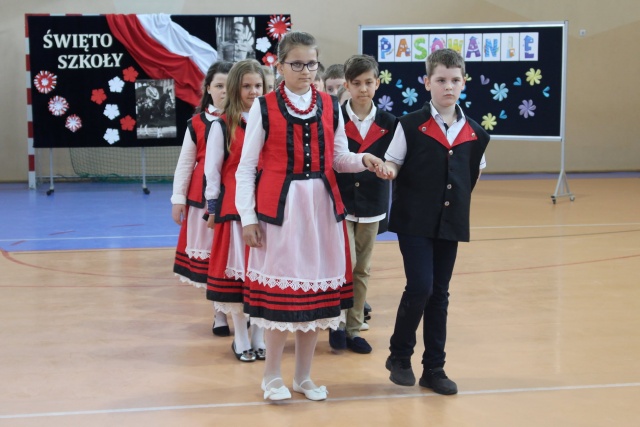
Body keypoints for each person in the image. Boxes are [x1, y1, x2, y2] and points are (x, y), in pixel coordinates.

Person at [235, 31, 385, 401]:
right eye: (297, 64)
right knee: (281, 299)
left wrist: (363, 160)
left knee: (315, 297)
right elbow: (246, 168)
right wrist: (248, 218)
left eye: (311, 63)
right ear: (280, 65)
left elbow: (338, 157)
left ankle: (303, 376)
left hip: (321, 212)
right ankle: (272, 377)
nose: (305, 70)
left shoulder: (331, 105)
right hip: (281, 212)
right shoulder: (264, 107)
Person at [376, 48, 489, 395]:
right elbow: (394, 162)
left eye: (455, 80)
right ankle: (399, 356)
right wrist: (387, 170)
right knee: (421, 287)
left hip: (450, 222)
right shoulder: (409, 125)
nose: (448, 87)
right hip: (414, 221)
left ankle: (434, 368)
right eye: (441, 80)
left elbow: (473, 175)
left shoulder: (476, 133)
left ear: (464, 82)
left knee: (440, 293)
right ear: (427, 83)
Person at [330, 54, 397, 354]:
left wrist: (389, 169)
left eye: (369, 82)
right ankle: (336, 322)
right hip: (340, 203)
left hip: (372, 204)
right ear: (346, 85)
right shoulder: (334, 119)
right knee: (343, 264)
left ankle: (354, 328)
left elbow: (396, 161)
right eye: (356, 83)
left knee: (362, 268)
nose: (363, 89)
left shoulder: (390, 123)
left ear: (378, 83)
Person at [204, 59, 267, 363]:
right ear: (234, 89)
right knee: (239, 278)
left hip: (267, 208)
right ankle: (241, 336)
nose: (253, 92)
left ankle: (259, 335)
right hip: (234, 211)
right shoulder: (221, 125)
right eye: (247, 86)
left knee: (262, 275)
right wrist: (212, 208)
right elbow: (213, 172)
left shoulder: (271, 120)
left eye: (258, 86)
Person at [171, 60, 234, 336]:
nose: (224, 91)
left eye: (228, 86)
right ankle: (219, 314)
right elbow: (186, 162)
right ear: (208, 89)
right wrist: (178, 198)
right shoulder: (196, 123)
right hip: (203, 202)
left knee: (235, 256)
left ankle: (243, 311)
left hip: (235, 199)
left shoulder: (248, 120)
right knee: (211, 258)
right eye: (218, 85)